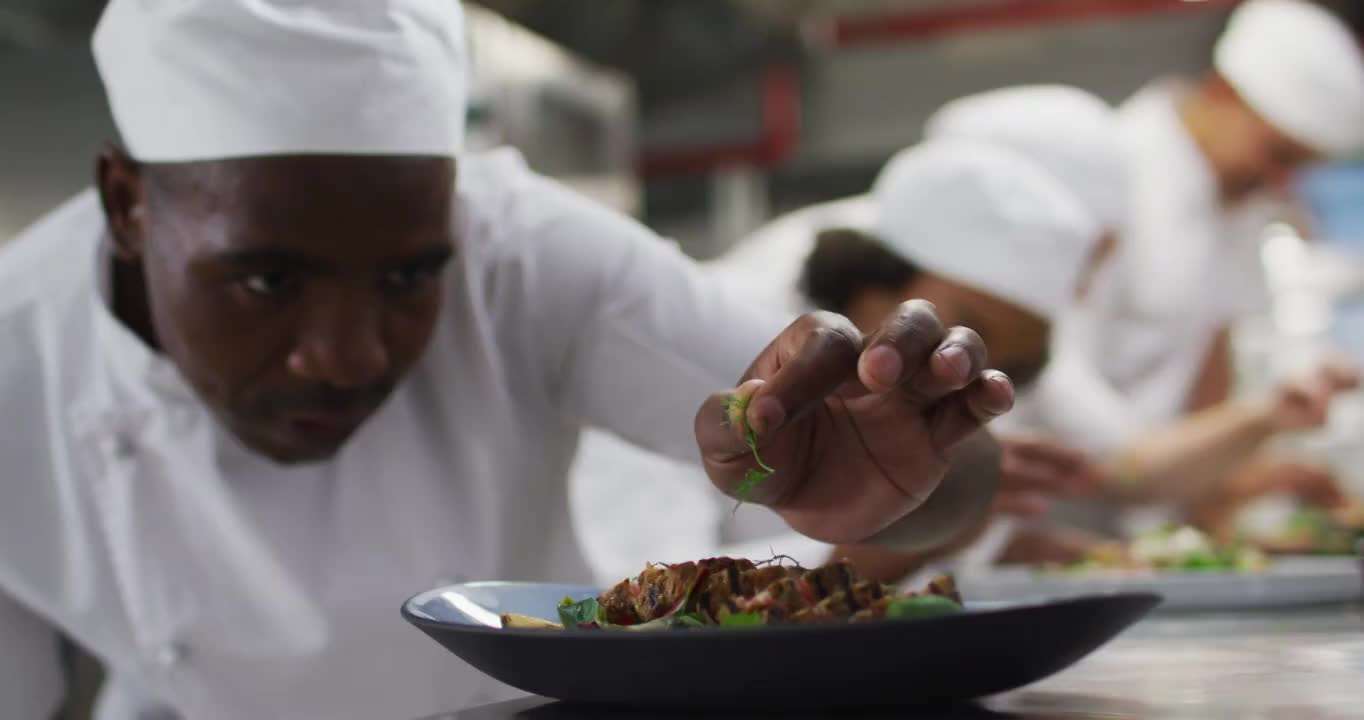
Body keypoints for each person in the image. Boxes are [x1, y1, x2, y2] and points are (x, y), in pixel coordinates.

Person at [0, 2, 1018, 718]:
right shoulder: (14, 360)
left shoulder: (528, 253)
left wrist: (907, 479)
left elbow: (949, 470)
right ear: (128, 201)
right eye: (267, 283)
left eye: (408, 279)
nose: (344, 356)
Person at [1002, 0, 1364, 536]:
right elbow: (1098, 448)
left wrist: (1240, 479)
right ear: (1224, 93)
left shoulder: (1238, 211)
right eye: (1278, 154)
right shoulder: (1106, 176)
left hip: (1140, 531)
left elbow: (1205, 398)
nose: (1282, 184)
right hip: (1040, 526)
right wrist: (1266, 416)